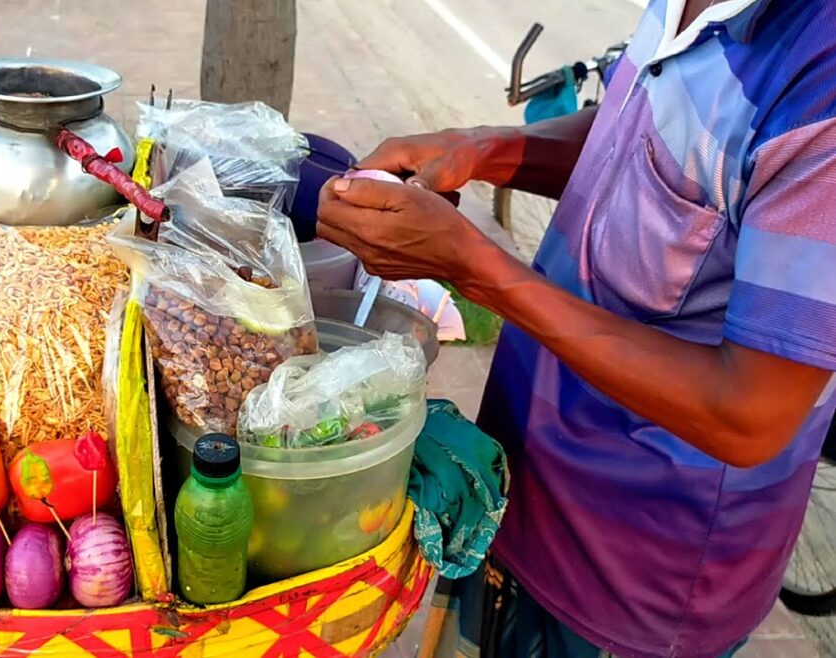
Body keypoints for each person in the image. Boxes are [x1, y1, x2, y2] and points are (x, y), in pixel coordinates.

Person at [316, 1, 836, 656]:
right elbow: (645, 134)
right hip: (528, 484)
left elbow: (749, 413)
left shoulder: (821, 81)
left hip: (632, 574)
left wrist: (471, 267)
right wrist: (483, 148)